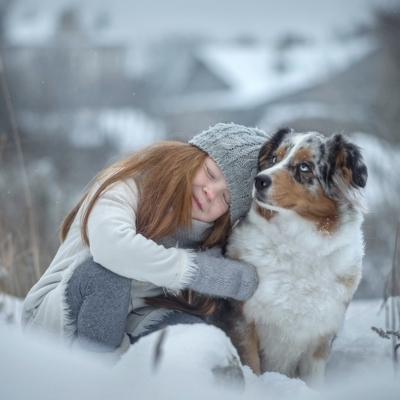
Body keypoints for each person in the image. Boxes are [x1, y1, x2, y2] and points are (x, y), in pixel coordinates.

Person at [21, 122, 268, 362]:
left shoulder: (210, 237)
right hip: (59, 320)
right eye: (210, 173)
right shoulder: (129, 183)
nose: (210, 192)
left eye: (225, 198)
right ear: (191, 157)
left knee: (197, 338)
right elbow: (112, 248)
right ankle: (95, 382)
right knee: (107, 275)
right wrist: (199, 271)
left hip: (135, 321)